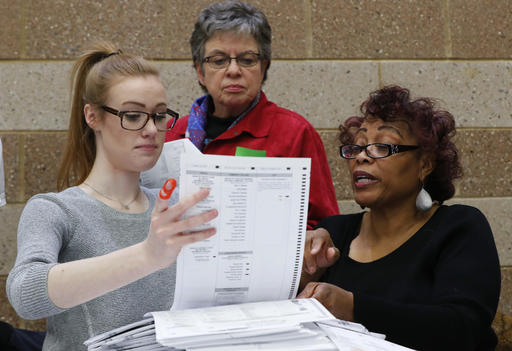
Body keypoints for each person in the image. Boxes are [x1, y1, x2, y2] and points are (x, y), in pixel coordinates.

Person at [6, 42, 218, 351]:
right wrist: (147, 256)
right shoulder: (55, 210)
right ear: (92, 117)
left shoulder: (175, 209)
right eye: (133, 116)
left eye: (160, 116)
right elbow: (26, 294)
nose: (150, 130)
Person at [298, 85, 501, 350]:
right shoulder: (332, 235)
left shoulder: (458, 227)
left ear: (425, 164)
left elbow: (465, 328)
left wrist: (353, 308)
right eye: (357, 147)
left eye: (382, 147)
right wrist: (298, 274)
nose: (361, 157)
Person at [165, 1, 339, 228]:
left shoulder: (294, 133)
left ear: (263, 68)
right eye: (219, 60)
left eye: (247, 60)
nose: (234, 70)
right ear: (200, 71)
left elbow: (325, 226)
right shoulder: (173, 133)